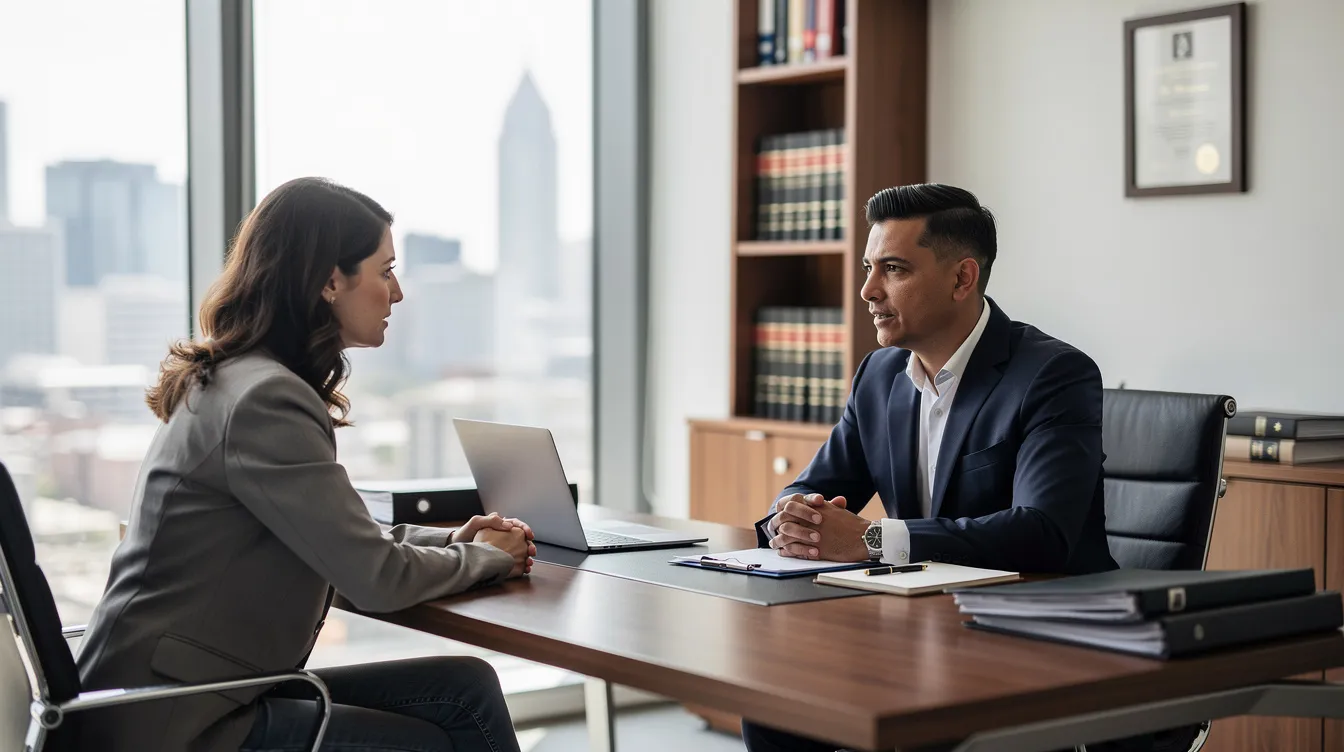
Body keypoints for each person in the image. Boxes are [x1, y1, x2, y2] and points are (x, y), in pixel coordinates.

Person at [75, 177, 534, 752]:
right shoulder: (265, 400)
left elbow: (334, 536)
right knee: (431, 737)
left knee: (464, 690)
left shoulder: (241, 378)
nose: (397, 293)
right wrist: (484, 558)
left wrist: (450, 543)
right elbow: (373, 577)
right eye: (385, 270)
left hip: (184, 692)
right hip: (173, 721)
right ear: (328, 280)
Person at [741, 184, 1197, 752]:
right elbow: (817, 485)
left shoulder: (1052, 375)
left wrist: (876, 539)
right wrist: (793, 516)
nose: (868, 290)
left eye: (894, 269)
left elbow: (1042, 532)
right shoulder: (879, 377)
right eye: (868, 268)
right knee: (778, 707)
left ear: (963, 278)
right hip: (920, 633)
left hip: (1035, 643)